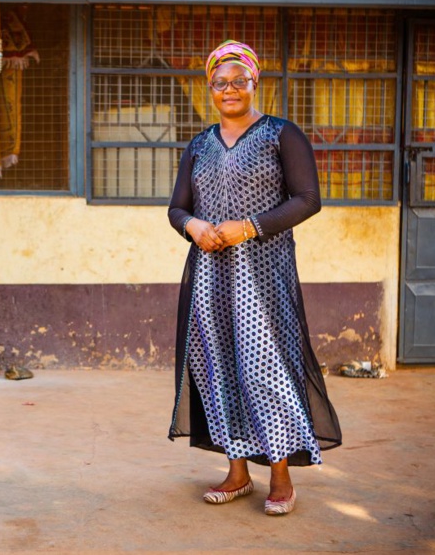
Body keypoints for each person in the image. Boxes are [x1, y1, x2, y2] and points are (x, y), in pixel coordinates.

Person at [167, 39, 342, 516]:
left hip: (262, 276)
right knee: (216, 367)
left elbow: (308, 199)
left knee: (266, 368)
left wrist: (249, 227)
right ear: (210, 88)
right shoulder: (199, 144)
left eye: (238, 81)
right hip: (209, 277)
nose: (229, 89)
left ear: (254, 82)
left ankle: (280, 476)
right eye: (220, 83)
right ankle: (237, 471)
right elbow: (177, 207)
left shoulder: (280, 134)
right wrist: (193, 225)